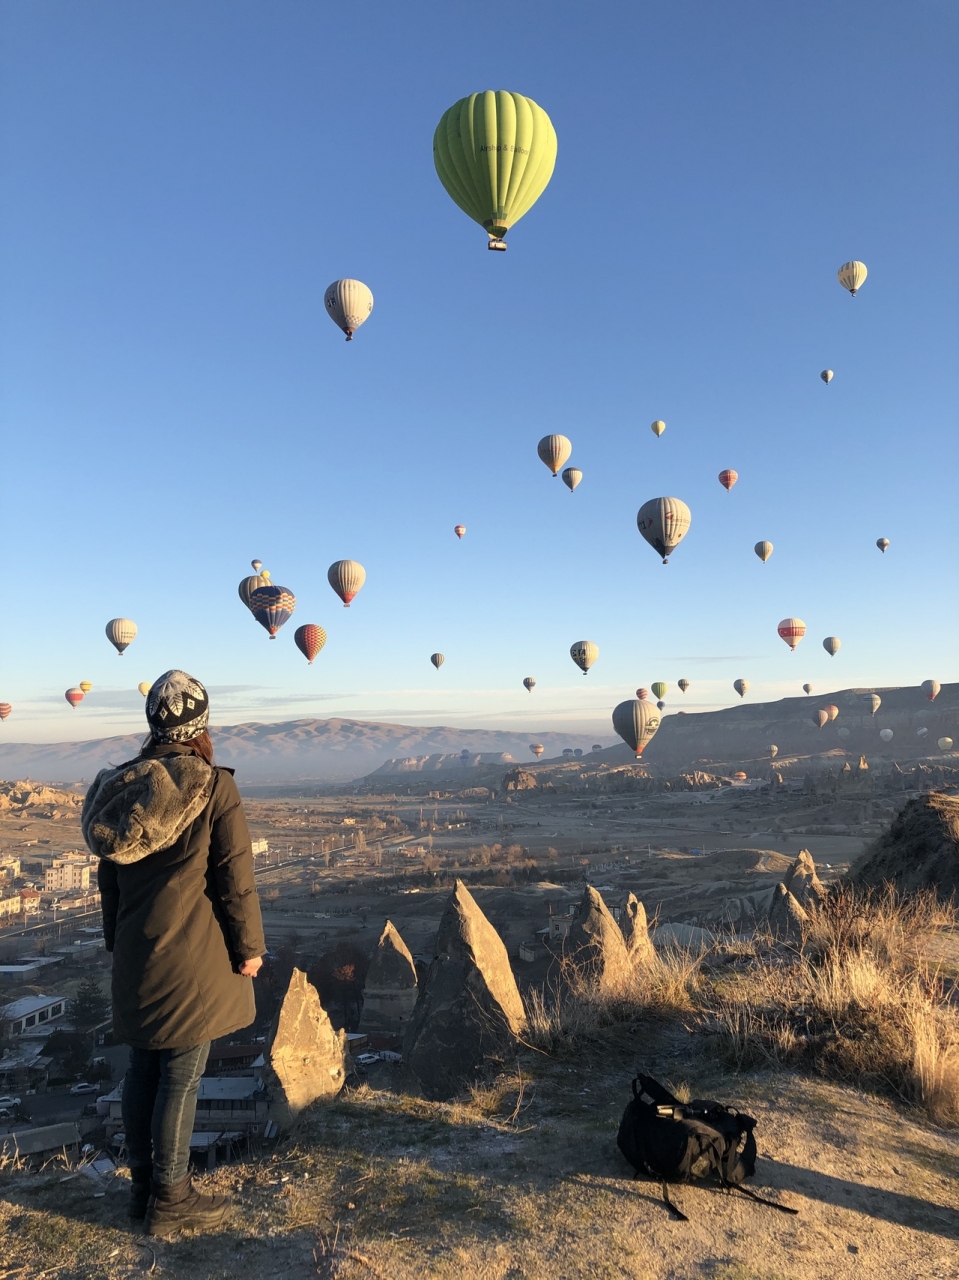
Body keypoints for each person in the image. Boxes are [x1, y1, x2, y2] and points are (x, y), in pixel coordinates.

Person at [83, 670, 265, 1236]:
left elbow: (108, 885)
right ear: (200, 727)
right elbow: (235, 877)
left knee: (143, 1068)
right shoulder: (212, 787)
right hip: (192, 955)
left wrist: (119, 943)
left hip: (138, 951)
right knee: (182, 1075)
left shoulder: (120, 789)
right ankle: (172, 1199)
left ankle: (143, 1192)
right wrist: (249, 948)